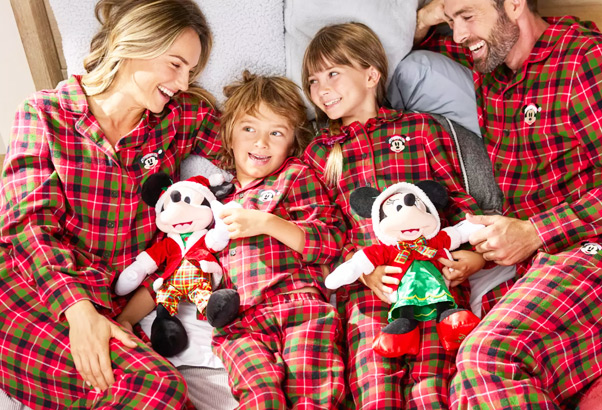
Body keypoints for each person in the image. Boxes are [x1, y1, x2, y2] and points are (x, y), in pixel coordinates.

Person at [405, 0, 602, 408]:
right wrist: (429, 17)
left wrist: (536, 231)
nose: (457, 35)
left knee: (487, 361)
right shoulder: (493, 61)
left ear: (514, 4)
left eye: (467, 16)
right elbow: (413, 49)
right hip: (547, 258)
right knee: (441, 381)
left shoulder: (589, 60)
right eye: (451, 21)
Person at [0, 0, 223, 408]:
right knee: (159, 390)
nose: (184, 83)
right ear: (132, 44)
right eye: (175, 65)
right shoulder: (45, 114)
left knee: (165, 393)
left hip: (111, 301)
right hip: (28, 289)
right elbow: (27, 225)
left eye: (190, 71)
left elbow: (253, 147)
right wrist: (78, 311)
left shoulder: (177, 119)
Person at [301, 22, 511, 409]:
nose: (321, 88)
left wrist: (477, 257)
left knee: (432, 389)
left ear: (370, 73)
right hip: (373, 292)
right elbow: (327, 233)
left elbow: (460, 205)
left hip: (438, 284)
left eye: (332, 73)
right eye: (312, 80)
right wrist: (365, 271)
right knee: (375, 388)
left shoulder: (419, 129)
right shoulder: (319, 154)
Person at [205, 71, 346, 409]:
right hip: (242, 323)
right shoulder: (211, 202)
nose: (261, 143)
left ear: (291, 144)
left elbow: (330, 239)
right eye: (249, 128)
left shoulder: (294, 176)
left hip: (301, 307)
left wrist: (267, 222)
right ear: (229, 135)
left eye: (276, 133)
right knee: (261, 397)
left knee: (314, 395)